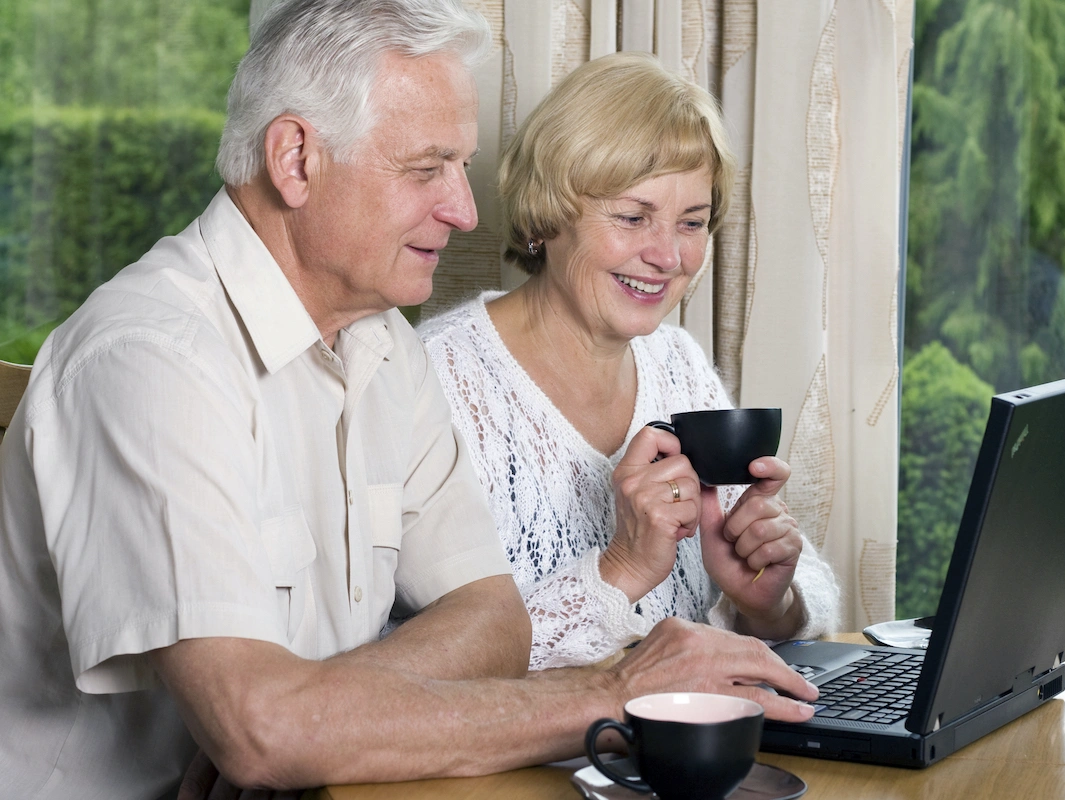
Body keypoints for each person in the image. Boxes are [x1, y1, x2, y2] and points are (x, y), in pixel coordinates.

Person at [0, 2, 819, 797]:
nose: (464, 211)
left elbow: (493, 619)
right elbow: (259, 736)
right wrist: (615, 693)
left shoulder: (381, 343)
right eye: (427, 169)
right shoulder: (152, 360)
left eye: (459, 168)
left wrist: (313, 721)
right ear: (296, 159)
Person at [419, 52, 839, 671]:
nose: (667, 256)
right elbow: (409, 675)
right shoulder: (431, 378)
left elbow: (808, 590)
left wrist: (768, 604)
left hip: (675, 757)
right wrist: (622, 570)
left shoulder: (678, 362)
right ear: (548, 212)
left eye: (692, 223)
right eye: (633, 216)